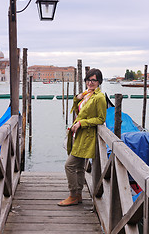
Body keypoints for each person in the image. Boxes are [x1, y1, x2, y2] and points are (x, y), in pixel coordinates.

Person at [58, 68, 107, 206]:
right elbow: (78, 111)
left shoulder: (99, 97)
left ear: (99, 82)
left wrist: (82, 123)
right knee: (79, 167)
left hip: (87, 137)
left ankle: (73, 194)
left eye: (94, 80)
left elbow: (101, 119)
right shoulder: (86, 95)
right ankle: (78, 195)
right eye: (88, 80)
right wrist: (76, 99)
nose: (90, 83)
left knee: (69, 165)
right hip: (79, 135)